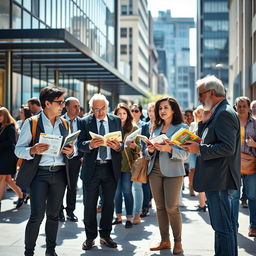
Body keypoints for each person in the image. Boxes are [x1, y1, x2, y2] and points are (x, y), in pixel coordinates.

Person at [182, 75, 240, 256]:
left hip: (221, 180)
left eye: (201, 94)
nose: (199, 99)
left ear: (212, 93)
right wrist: (204, 123)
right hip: (217, 179)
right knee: (222, 229)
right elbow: (211, 138)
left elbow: (227, 148)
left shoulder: (224, 113)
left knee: (224, 229)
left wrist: (199, 148)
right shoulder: (218, 112)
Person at [15, 87, 74, 256]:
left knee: (54, 215)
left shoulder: (64, 123)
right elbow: (18, 150)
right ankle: (29, 252)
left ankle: (50, 250)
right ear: (47, 103)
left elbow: (70, 150)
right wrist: (32, 150)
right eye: (60, 102)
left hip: (60, 174)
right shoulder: (32, 123)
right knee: (36, 216)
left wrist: (71, 152)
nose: (63, 105)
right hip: (39, 175)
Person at [78, 94, 122, 251]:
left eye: (102, 108)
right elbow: (79, 145)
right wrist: (89, 145)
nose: (100, 112)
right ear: (91, 109)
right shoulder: (84, 121)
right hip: (92, 169)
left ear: (107, 107)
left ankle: (105, 235)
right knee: (89, 205)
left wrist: (118, 146)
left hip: (110, 168)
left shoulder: (115, 120)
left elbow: (121, 144)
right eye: (96, 109)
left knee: (109, 204)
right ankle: (90, 238)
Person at [146, 97, 189, 255]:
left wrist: (169, 149)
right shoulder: (155, 127)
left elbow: (185, 154)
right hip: (154, 170)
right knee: (160, 207)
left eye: (165, 107)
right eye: (160, 108)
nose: (162, 111)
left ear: (173, 110)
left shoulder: (182, 128)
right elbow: (148, 151)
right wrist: (150, 150)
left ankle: (178, 241)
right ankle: (165, 240)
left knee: (172, 207)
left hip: (173, 172)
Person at [112, 103, 141, 228]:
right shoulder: (112, 126)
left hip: (127, 165)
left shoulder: (133, 128)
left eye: (124, 113)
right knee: (116, 193)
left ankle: (129, 217)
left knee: (127, 191)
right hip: (113, 165)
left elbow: (139, 148)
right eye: (119, 113)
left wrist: (133, 146)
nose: (121, 116)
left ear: (128, 114)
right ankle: (118, 216)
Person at [231, 96, 256, 237]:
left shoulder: (255, 124)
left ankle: (254, 226)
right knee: (234, 196)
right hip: (233, 163)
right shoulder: (231, 122)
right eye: (238, 106)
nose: (241, 108)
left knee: (252, 195)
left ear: (248, 108)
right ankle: (234, 225)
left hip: (250, 163)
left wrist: (254, 144)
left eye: (243, 106)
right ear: (235, 107)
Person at [59, 97, 83, 222]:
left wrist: (82, 156)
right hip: (60, 158)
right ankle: (59, 211)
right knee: (60, 186)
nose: (78, 109)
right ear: (66, 107)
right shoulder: (59, 121)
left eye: (78, 106)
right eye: (75, 106)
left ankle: (70, 211)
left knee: (72, 186)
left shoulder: (82, 122)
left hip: (75, 159)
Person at [0, 107, 24, 210]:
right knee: (9, 180)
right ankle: (21, 195)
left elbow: (11, 143)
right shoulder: (1, 126)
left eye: (0, 115)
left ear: (5, 116)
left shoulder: (10, 127)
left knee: (2, 178)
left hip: (8, 157)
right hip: (2, 156)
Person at [188, 105, 207, 211]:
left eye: (201, 112)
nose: (198, 113)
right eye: (197, 112)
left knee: (201, 176)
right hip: (192, 152)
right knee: (193, 171)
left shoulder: (206, 124)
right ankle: (201, 202)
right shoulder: (193, 124)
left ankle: (203, 203)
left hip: (202, 152)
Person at [130, 103, 145, 224]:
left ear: (140, 112)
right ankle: (130, 212)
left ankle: (137, 213)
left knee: (137, 187)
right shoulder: (125, 124)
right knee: (126, 189)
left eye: (136, 111)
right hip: (125, 160)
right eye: (132, 110)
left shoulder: (143, 126)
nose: (134, 113)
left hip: (138, 159)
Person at [140, 102, 155, 217]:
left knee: (154, 183)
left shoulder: (163, 126)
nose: (151, 113)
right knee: (145, 183)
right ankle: (145, 206)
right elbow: (142, 143)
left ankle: (151, 200)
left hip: (158, 159)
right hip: (146, 157)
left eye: (153, 110)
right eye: (149, 110)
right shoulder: (145, 126)